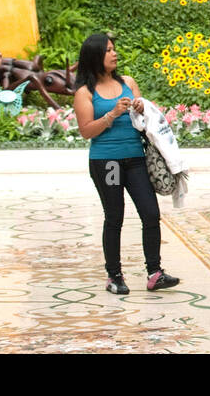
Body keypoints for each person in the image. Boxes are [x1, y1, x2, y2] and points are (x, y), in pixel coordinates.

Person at [73, 33, 179, 295]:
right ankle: (114, 276)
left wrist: (142, 109)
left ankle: (155, 273)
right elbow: (86, 131)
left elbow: (144, 121)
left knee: (150, 213)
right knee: (115, 217)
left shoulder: (129, 83)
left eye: (114, 49)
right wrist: (112, 114)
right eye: (108, 50)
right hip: (107, 161)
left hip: (135, 159)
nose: (114, 54)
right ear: (95, 56)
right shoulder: (85, 93)